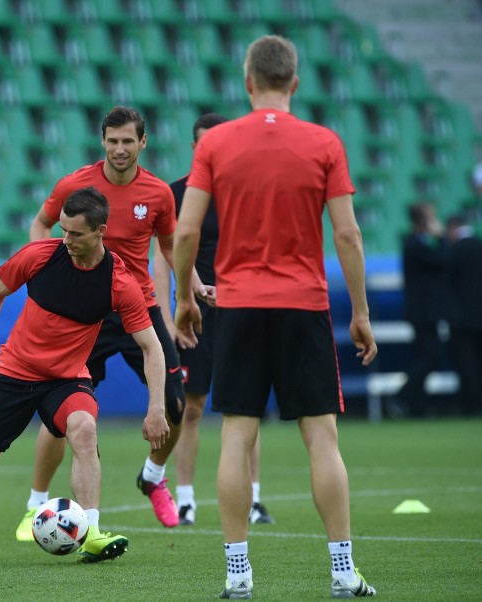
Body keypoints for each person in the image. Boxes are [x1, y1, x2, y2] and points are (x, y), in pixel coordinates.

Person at [172, 35, 378, 599]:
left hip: (237, 306)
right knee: (322, 440)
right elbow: (347, 234)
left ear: (246, 83)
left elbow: (185, 230)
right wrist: (360, 312)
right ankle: (342, 572)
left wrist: (186, 299)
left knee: (237, 435)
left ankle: (239, 576)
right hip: (303, 305)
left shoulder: (215, 144)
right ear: (295, 83)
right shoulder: (324, 142)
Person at [0, 187, 169, 565]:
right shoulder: (40, 256)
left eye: (76, 234)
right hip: (14, 373)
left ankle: (90, 533)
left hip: (67, 379)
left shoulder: (118, 283)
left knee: (85, 430)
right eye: (63, 230)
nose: (66, 240)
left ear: (100, 231)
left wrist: (156, 407)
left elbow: (152, 347)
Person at [11, 106, 200, 537]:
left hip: (139, 310)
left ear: (143, 143)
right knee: (61, 415)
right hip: (85, 312)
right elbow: (41, 224)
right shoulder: (75, 185)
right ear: (102, 140)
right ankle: (34, 506)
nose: (119, 149)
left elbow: (171, 249)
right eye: (112, 140)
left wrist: (194, 286)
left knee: (174, 404)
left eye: (127, 141)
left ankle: (153, 476)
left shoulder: (158, 194)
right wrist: (46, 271)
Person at [153, 113, 274, 528]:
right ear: (194, 148)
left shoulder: (247, 192)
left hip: (242, 310)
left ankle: (254, 499)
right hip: (194, 315)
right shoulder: (175, 194)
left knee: (245, 407)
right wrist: (167, 317)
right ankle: (185, 499)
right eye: (205, 143)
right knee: (190, 406)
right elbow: (163, 260)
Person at [393, 202, 448, 417]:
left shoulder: (418, 243)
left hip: (425, 311)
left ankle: (418, 405)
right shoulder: (414, 244)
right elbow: (442, 260)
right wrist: (442, 237)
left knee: (423, 356)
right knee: (431, 357)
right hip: (423, 312)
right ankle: (402, 396)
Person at [445, 213, 482, 415]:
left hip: (461, 318)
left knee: (466, 363)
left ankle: (470, 405)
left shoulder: (453, 251)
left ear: (452, 227)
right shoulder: (479, 245)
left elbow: (446, 283)